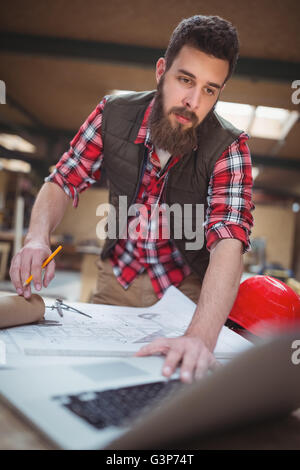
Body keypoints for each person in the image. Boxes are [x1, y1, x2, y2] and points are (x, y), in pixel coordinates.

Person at [9, 15, 254, 383]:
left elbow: (229, 241)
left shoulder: (229, 146)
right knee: (87, 379)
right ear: (161, 71)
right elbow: (63, 179)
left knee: (170, 387)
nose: (193, 101)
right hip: (114, 283)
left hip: (186, 294)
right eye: (185, 80)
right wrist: (37, 238)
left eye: (209, 90)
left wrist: (199, 337)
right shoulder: (112, 114)